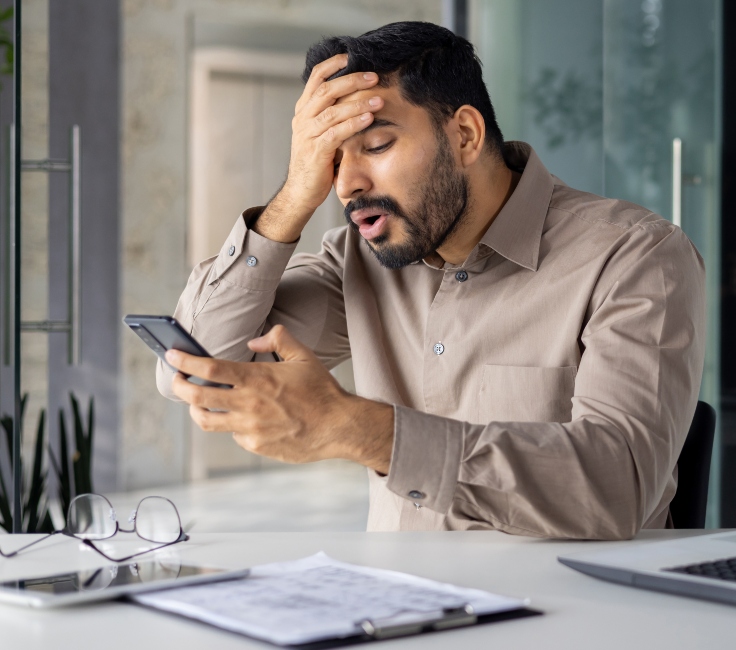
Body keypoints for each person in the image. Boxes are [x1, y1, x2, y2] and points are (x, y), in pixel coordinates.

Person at [157, 21, 705, 540]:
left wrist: (358, 429)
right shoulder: (359, 261)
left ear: (465, 134)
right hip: (395, 609)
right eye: (329, 160)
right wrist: (293, 198)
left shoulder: (635, 256)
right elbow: (197, 366)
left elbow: (617, 485)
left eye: (375, 146)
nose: (347, 184)